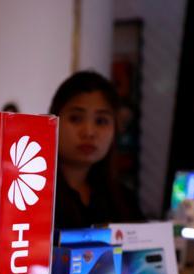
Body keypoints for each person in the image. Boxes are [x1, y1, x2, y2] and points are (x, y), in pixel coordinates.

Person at [50, 71, 142, 232]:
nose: (89, 132)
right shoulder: (31, 197)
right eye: (76, 118)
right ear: (53, 120)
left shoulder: (123, 200)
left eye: (101, 121)